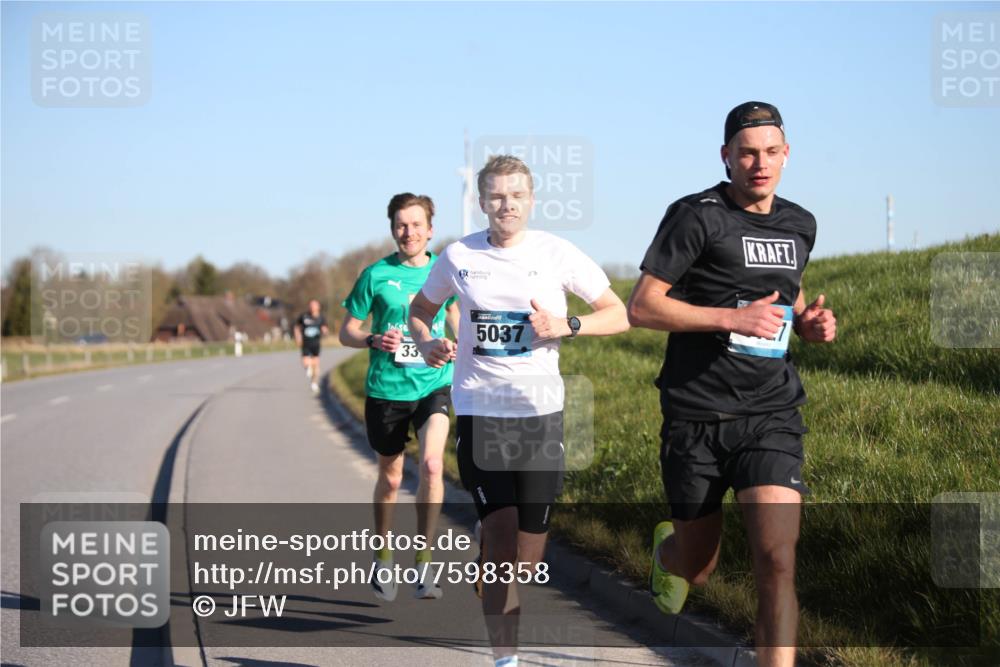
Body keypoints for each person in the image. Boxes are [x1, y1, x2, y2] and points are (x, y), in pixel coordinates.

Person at [626, 101, 837, 667]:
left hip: (770, 414)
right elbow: (643, 308)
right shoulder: (695, 216)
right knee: (699, 564)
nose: (759, 163)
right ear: (726, 156)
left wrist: (808, 323)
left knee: (777, 559)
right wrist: (729, 319)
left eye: (770, 152)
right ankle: (669, 555)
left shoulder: (800, 223)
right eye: (746, 152)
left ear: (787, 155)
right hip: (695, 416)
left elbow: (784, 292)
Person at [409, 155, 629, 667]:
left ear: (531, 200)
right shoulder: (458, 256)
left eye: (516, 195)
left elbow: (618, 315)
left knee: (525, 559)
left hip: (539, 416)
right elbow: (422, 310)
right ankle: (505, 659)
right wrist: (426, 342)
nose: (506, 205)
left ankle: (490, 563)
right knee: (504, 540)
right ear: (482, 201)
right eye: (496, 196)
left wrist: (567, 326)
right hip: (480, 412)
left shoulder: (557, 252)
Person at [339, 192, 460, 601]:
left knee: (430, 466)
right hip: (387, 389)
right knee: (390, 479)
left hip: (433, 382)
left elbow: (461, 324)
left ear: (430, 230)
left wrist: (458, 347)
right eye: (400, 225)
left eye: (416, 225)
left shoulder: (446, 272)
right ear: (393, 229)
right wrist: (373, 337)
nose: (408, 232)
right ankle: (383, 555)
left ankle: (425, 563)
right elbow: (346, 331)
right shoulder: (375, 274)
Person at [294, 299, 329, 393]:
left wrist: (325, 331)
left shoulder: (321, 318)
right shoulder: (304, 316)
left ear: (318, 307)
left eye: (314, 305)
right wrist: (298, 337)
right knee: (305, 362)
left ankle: (314, 383)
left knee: (316, 365)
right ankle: (308, 368)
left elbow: (325, 328)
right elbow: (297, 327)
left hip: (316, 343)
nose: (312, 307)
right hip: (305, 343)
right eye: (311, 305)